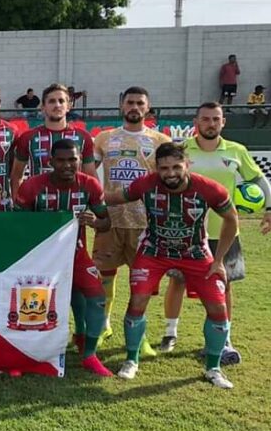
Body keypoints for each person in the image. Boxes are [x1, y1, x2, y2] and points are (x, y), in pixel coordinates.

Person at [106, 142, 238, 389]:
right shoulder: (145, 184)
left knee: (217, 307)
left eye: (176, 167)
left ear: (187, 165)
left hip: (195, 252)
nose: (170, 173)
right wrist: (84, 191)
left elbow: (232, 219)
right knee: (137, 301)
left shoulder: (209, 189)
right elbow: (115, 198)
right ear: (156, 168)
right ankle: (131, 360)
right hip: (154, 251)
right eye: (164, 168)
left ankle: (213, 368)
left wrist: (218, 260)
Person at [160, 102, 271, 361]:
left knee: (224, 284)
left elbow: (259, 180)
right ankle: (170, 333)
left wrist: (270, 207)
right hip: (185, 232)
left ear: (223, 122)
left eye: (216, 119)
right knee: (177, 280)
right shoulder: (182, 151)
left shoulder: (236, 151)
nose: (211, 123)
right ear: (196, 122)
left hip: (224, 232)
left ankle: (225, 338)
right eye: (206, 119)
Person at [15, 139, 113, 377]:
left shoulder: (90, 185)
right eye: (61, 160)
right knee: (31, 304)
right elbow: (17, 226)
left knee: (97, 297)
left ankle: (89, 354)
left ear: (80, 160)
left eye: (73, 160)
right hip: (40, 256)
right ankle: (23, 354)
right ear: (50, 161)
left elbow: (106, 222)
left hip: (76, 253)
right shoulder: (31, 186)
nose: (67, 165)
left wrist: (95, 222)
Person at [91, 86, 170, 352]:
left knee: (142, 282)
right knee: (104, 277)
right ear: (121, 106)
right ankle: (103, 326)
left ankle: (140, 334)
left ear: (147, 108)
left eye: (140, 103)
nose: (134, 107)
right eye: (130, 102)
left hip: (146, 223)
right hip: (110, 221)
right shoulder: (104, 138)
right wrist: (95, 202)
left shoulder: (160, 141)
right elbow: (89, 172)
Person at [10, 82, 96, 197]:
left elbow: (90, 175)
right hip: (37, 207)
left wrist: (94, 206)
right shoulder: (28, 137)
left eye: (61, 101)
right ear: (43, 107)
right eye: (51, 101)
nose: (57, 105)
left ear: (69, 106)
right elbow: (16, 176)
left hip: (73, 206)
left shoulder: (83, 137)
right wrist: (18, 206)